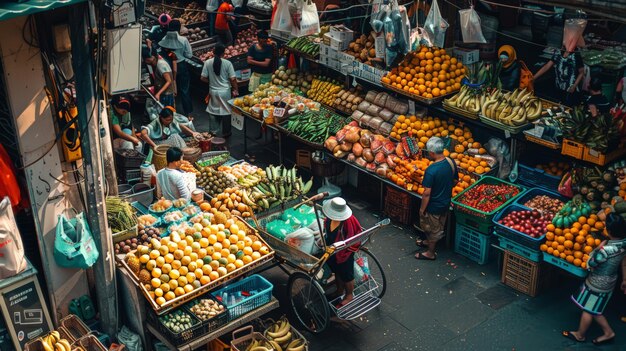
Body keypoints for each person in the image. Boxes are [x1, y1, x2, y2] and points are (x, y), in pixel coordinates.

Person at [562, 213, 626, 346]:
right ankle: (607, 332)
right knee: (594, 307)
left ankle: (581, 335)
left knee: (589, 309)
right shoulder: (623, 243)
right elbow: (624, 262)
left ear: (608, 230)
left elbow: (591, 264)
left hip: (598, 282)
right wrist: (624, 279)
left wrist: (597, 249)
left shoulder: (605, 250)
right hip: (610, 281)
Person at [414, 137, 457, 261]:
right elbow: (455, 180)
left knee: (432, 229)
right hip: (445, 202)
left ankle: (430, 253)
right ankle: (428, 242)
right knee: (438, 226)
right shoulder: (450, 162)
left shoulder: (431, 170)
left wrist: (422, 209)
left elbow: (427, 193)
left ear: (432, 153)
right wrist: (445, 189)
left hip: (433, 205)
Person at [322, 197, 361, 307]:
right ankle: (339, 290)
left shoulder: (349, 220)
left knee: (346, 272)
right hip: (333, 249)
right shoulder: (329, 218)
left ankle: (349, 295)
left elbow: (353, 238)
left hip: (345, 251)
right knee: (337, 270)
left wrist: (343, 248)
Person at [200, 44, 238, 138]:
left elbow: (202, 78)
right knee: (226, 112)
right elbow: (233, 79)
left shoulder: (207, 62)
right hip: (225, 92)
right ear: (223, 53)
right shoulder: (228, 63)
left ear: (213, 52)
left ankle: (213, 132)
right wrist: (235, 89)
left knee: (213, 112)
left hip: (213, 91)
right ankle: (226, 132)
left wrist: (211, 82)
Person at [162, 19, 194, 117]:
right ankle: (188, 113)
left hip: (168, 67)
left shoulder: (164, 39)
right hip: (181, 65)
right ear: (179, 28)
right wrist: (181, 54)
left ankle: (170, 113)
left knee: (170, 90)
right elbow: (189, 55)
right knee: (184, 89)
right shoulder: (183, 40)